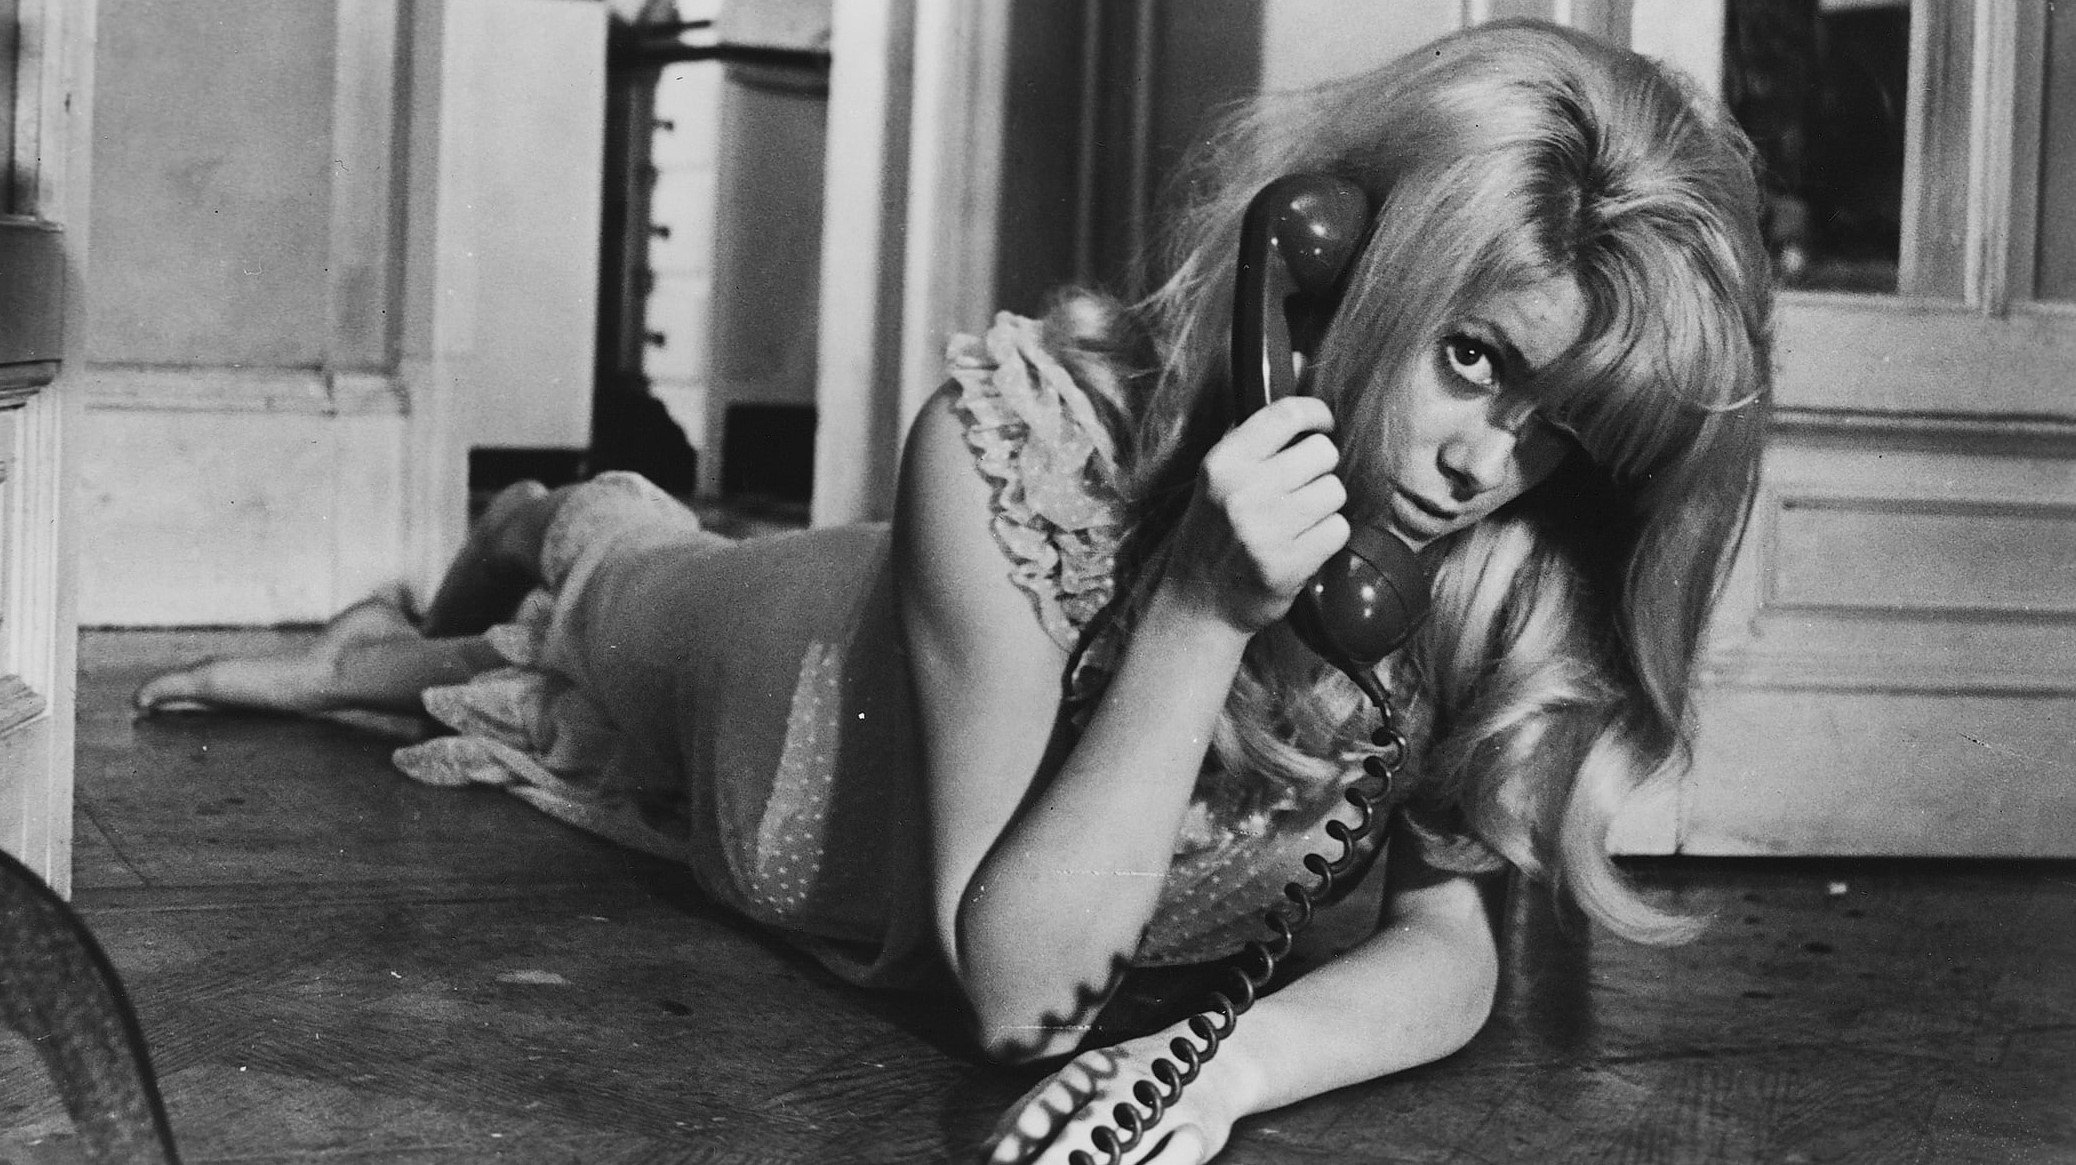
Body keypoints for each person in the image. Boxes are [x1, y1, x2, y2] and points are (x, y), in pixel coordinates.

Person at [135, 19, 1772, 1165]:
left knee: (566, 645)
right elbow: (1017, 999)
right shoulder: (1022, 450)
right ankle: (509, 535)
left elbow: (1449, 945)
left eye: (1560, 430)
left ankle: (410, 634)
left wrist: (1217, 1067)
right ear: (1342, 262)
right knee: (612, 592)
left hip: (953, 795)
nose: (1488, 463)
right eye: (1474, 359)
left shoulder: (1496, 571)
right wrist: (1202, 606)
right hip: (793, 708)